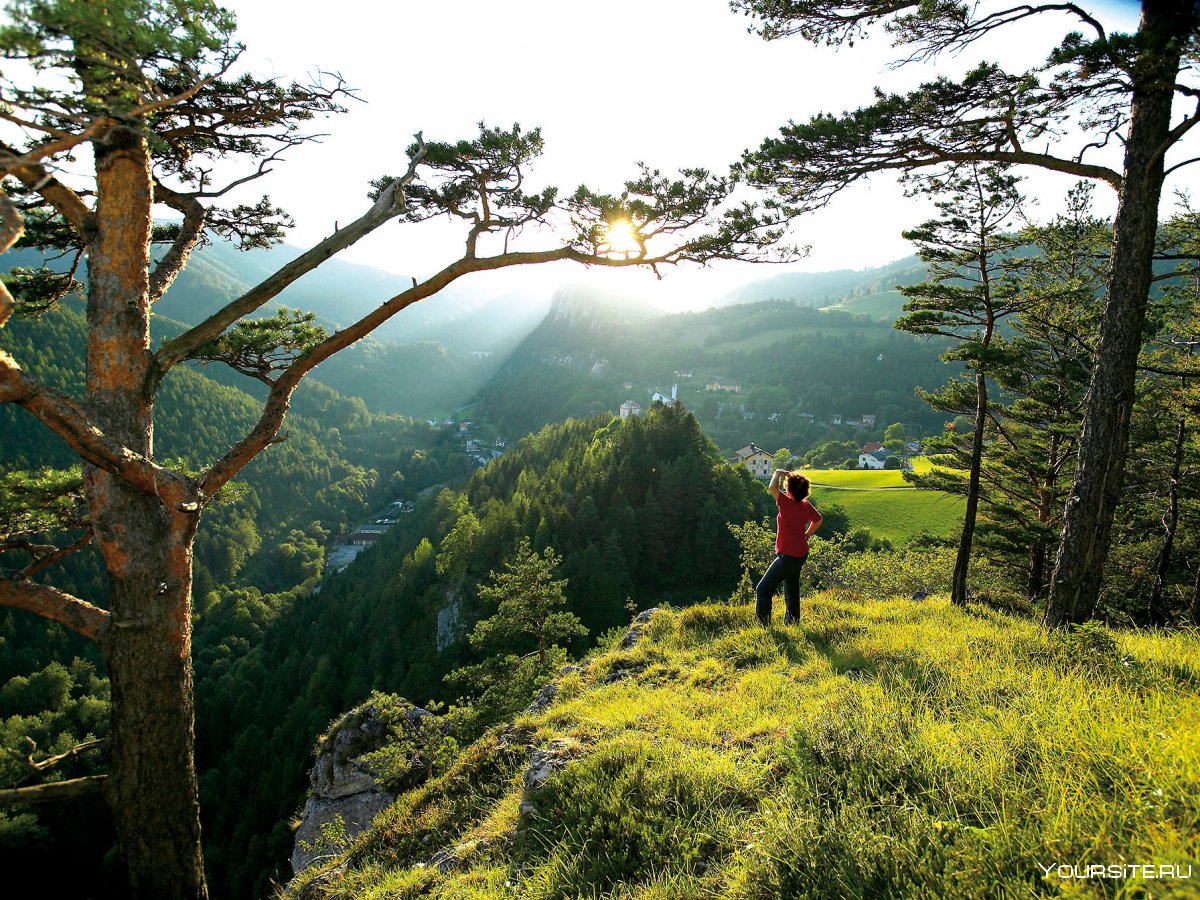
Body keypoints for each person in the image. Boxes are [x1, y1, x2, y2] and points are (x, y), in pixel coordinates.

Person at [756, 468, 822, 627]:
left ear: (789, 489)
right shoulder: (806, 506)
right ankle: (792, 623)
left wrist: (778, 473)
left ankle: (762, 626)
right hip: (800, 554)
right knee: (792, 590)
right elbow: (818, 520)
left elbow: (772, 488)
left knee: (763, 589)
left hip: (787, 557)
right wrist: (806, 535)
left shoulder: (786, 503)